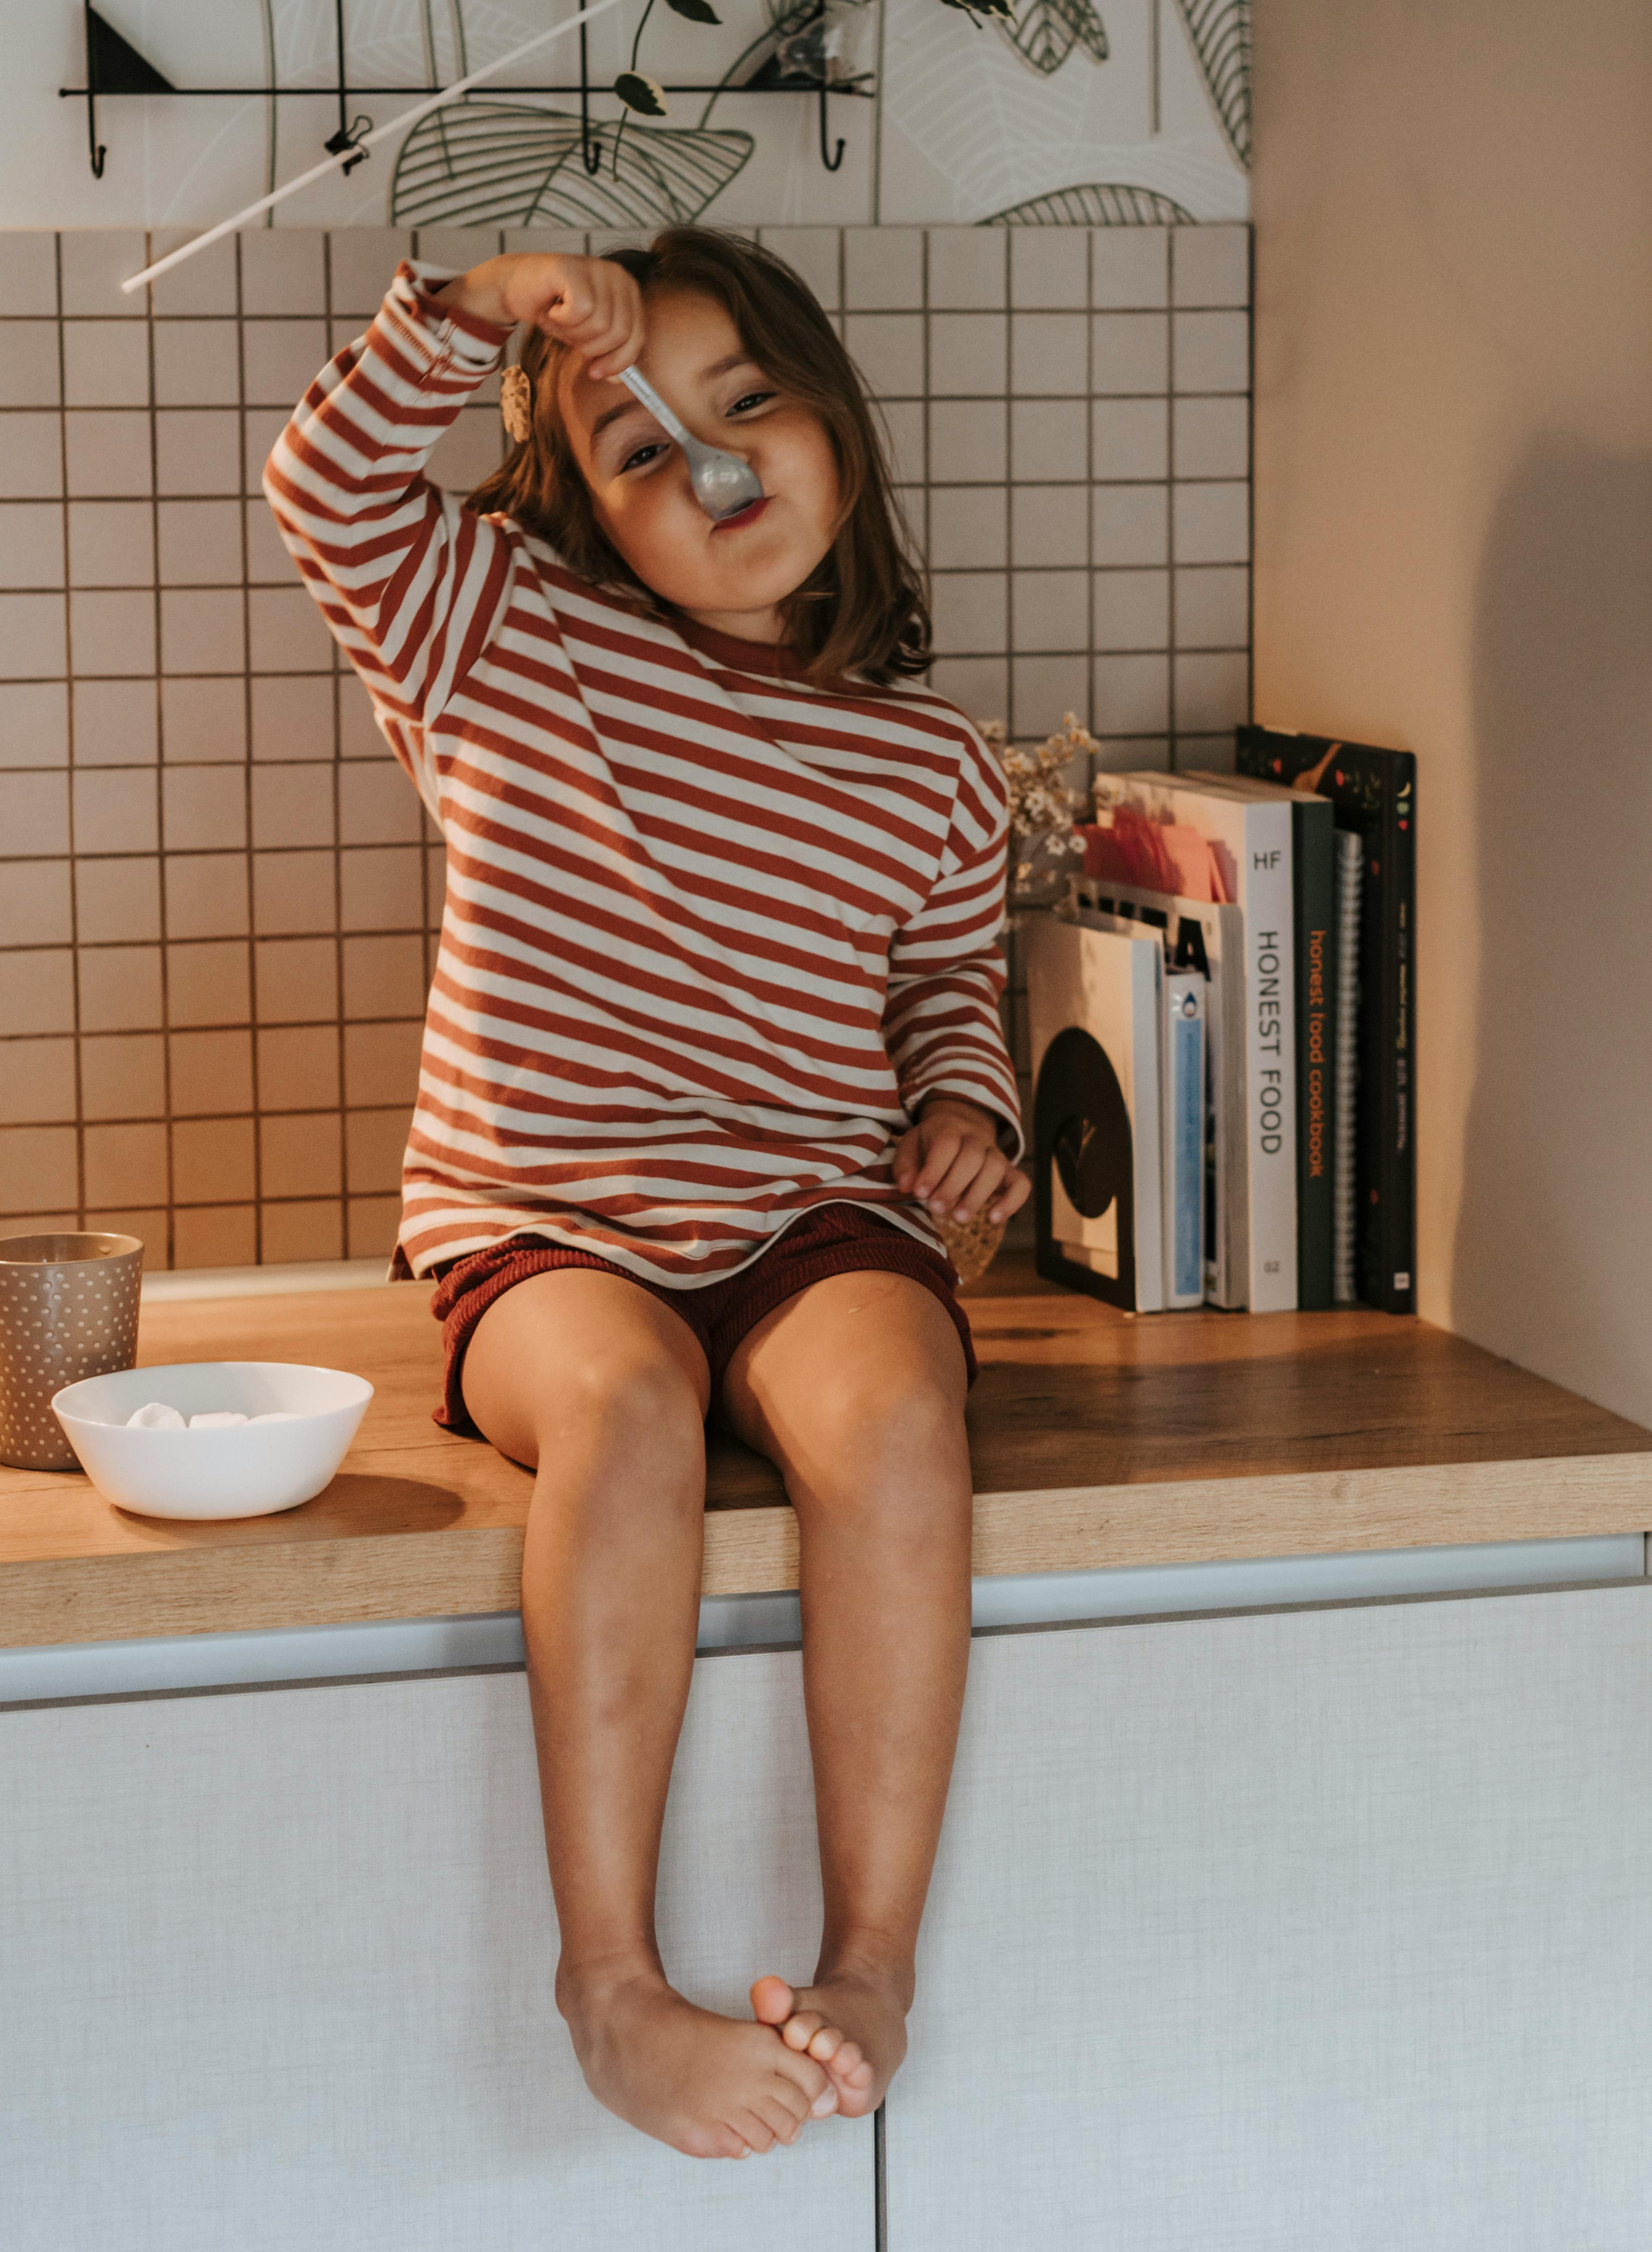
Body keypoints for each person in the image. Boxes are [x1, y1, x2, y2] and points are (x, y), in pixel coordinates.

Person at [265, 232, 1028, 2161]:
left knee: (902, 1411)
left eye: (749, 403)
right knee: (624, 1408)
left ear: (838, 426)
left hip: (801, 1212)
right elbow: (328, 487)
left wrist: (960, 1105)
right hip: (539, 1218)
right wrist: (476, 319)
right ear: (583, 515)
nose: (711, 459)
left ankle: (874, 1961)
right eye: (636, 443)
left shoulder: (936, 769)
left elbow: (948, 988)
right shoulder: (501, 631)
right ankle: (608, 1983)